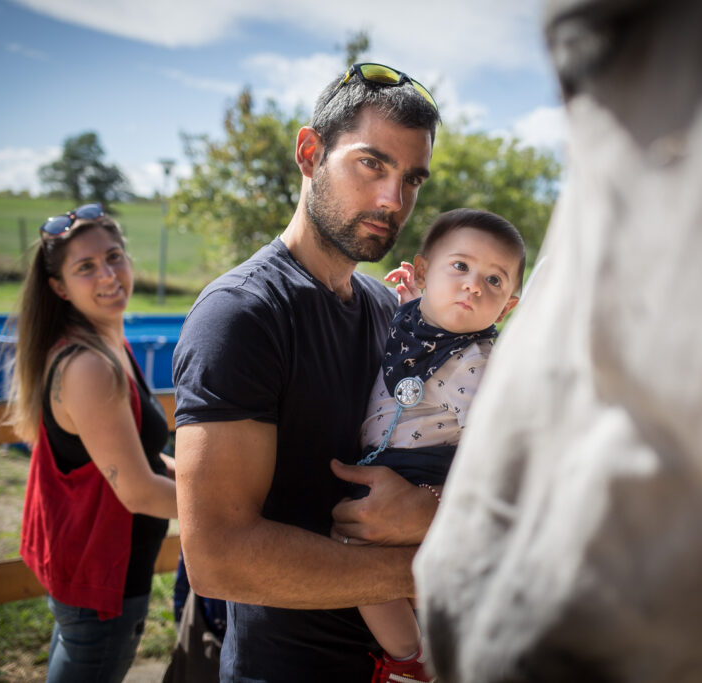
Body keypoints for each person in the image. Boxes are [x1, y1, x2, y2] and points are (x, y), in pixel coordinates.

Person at [171, 62, 442, 681]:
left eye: (411, 179)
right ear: (310, 152)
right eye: (372, 164)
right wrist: (430, 568)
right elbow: (218, 557)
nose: (392, 200)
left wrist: (430, 508)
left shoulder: (383, 307)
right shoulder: (240, 315)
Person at [347, 208, 525, 682]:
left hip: (421, 471)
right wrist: (412, 299)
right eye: (460, 267)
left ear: (507, 307)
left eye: (494, 281)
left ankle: (409, 656)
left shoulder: (475, 363)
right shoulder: (415, 326)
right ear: (424, 272)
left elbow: (498, 445)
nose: (473, 286)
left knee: (350, 548)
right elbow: (419, 333)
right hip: (393, 462)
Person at [5, 203, 178, 683]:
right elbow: (139, 490)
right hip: (102, 585)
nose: (109, 274)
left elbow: (137, 459)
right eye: (86, 267)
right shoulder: (87, 366)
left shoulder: (107, 344)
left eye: (114, 256)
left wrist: (202, 478)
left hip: (98, 577)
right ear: (59, 287)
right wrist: (235, 510)